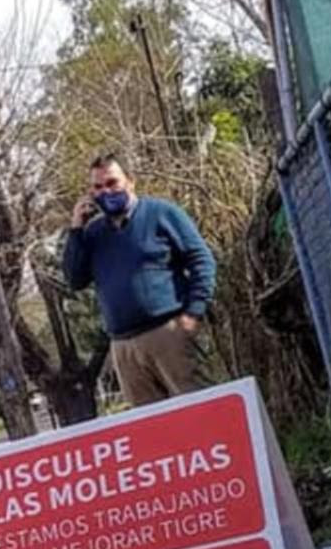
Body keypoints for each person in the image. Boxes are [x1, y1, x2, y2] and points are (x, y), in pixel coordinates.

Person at [62, 152, 218, 405]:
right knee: (156, 434)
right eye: (98, 187)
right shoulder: (92, 234)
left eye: (112, 183)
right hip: (124, 348)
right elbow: (74, 280)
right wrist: (76, 229)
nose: (106, 192)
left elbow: (202, 260)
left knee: (201, 412)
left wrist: (194, 313)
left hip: (169, 335)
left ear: (130, 181)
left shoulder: (162, 213)